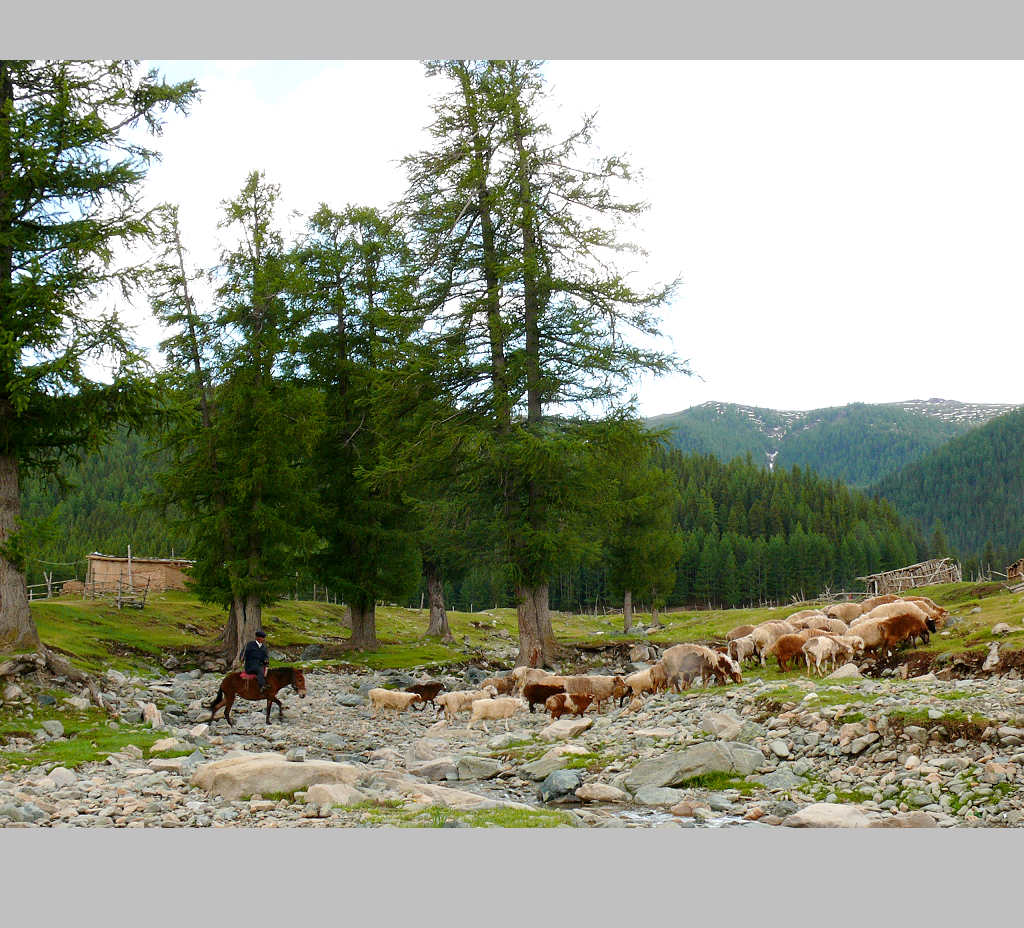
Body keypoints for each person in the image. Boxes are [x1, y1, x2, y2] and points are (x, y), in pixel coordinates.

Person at [242, 629, 271, 695]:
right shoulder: (250, 645)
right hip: (250, 665)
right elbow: (246, 655)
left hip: (260, 664)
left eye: (264, 638)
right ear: (257, 638)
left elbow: (266, 657)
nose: (263, 639)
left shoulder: (264, 647)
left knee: (267, 671)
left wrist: (266, 664)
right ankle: (262, 686)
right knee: (259, 670)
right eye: (262, 637)